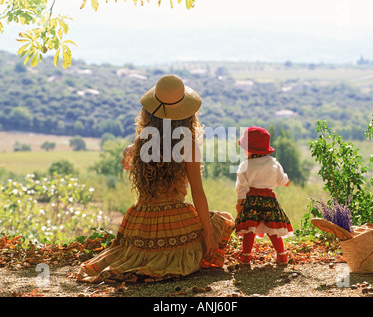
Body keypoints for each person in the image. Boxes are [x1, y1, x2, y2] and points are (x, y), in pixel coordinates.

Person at [77, 74, 235, 283]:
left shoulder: (141, 141)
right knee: (222, 221)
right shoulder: (188, 144)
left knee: (134, 253)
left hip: (139, 223)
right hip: (175, 219)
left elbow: (130, 158)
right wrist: (207, 235)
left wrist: (131, 149)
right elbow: (197, 192)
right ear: (187, 113)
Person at [234, 126, 293, 265]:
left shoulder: (245, 165)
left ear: (249, 149)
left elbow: (241, 187)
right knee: (272, 228)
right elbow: (281, 180)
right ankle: (282, 255)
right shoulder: (273, 163)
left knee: (250, 229)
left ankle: (246, 257)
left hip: (251, 201)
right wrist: (286, 182)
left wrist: (240, 203)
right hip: (269, 200)